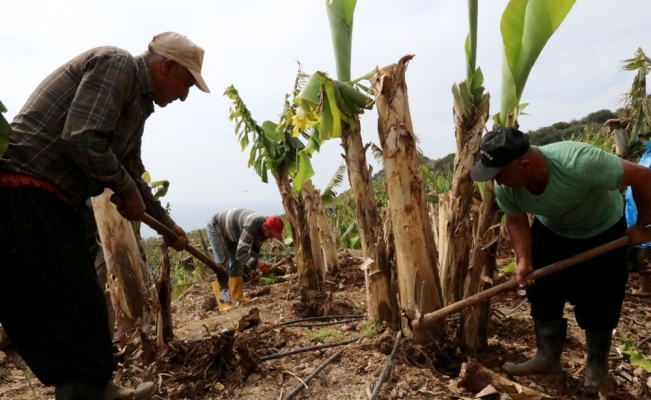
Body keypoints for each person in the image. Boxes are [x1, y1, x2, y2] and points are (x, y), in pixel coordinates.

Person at [0, 31, 209, 400]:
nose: (183, 95)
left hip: (57, 198)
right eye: (186, 83)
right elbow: (82, 137)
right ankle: (87, 390)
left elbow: (129, 165)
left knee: (85, 303)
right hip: (26, 188)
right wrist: (125, 190)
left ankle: (94, 387)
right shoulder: (117, 65)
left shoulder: (137, 103)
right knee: (70, 303)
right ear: (167, 66)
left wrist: (166, 224)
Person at [470, 128, 651, 391]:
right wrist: (523, 260)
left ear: (525, 165)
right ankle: (547, 358)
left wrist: (643, 225)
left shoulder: (580, 161)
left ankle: (597, 369)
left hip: (603, 228)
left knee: (601, 298)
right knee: (542, 291)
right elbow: (517, 222)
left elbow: (643, 175)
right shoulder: (506, 186)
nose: (496, 180)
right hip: (552, 230)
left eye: (500, 173)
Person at [207, 209, 283, 304]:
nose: (271, 237)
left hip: (232, 233)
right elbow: (241, 254)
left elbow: (255, 250)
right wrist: (260, 265)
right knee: (221, 265)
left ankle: (238, 298)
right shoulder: (252, 225)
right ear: (264, 226)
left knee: (236, 263)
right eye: (271, 234)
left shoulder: (263, 232)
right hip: (217, 227)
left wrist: (253, 270)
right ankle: (224, 301)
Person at [625, 141, 651, 297]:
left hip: (645, 211)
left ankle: (646, 289)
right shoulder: (646, 155)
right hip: (636, 210)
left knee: (645, 251)